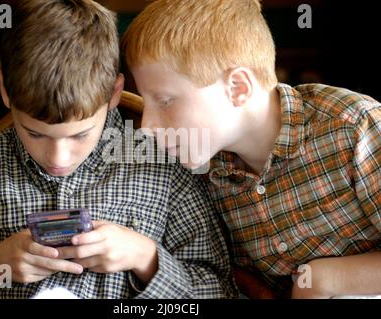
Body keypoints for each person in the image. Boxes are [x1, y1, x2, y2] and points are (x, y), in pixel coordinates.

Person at [0, 0, 236, 299]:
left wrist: (146, 258)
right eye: (35, 133)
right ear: (6, 91)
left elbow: (220, 291)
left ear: (114, 93)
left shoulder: (166, 168)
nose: (57, 159)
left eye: (80, 135)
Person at [122, 0, 381, 298]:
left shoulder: (354, 127)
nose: (148, 126)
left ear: (238, 89)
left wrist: (325, 279)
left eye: (165, 101)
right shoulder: (202, 170)